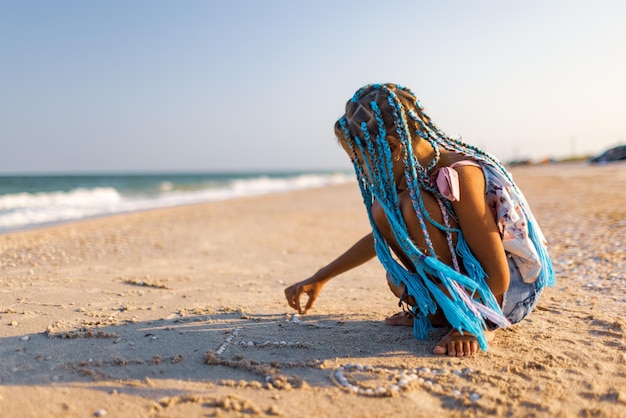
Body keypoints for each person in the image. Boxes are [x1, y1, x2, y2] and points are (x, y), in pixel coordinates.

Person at [284, 83, 555, 357]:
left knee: (414, 206)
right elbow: (378, 238)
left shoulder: (460, 174)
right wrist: (321, 277)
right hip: (475, 287)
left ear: (392, 148)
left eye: (363, 163)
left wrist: (472, 314)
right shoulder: (413, 173)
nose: (365, 174)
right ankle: (441, 312)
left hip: (507, 294)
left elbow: (498, 277)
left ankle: (475, 321)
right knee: (384, 216)